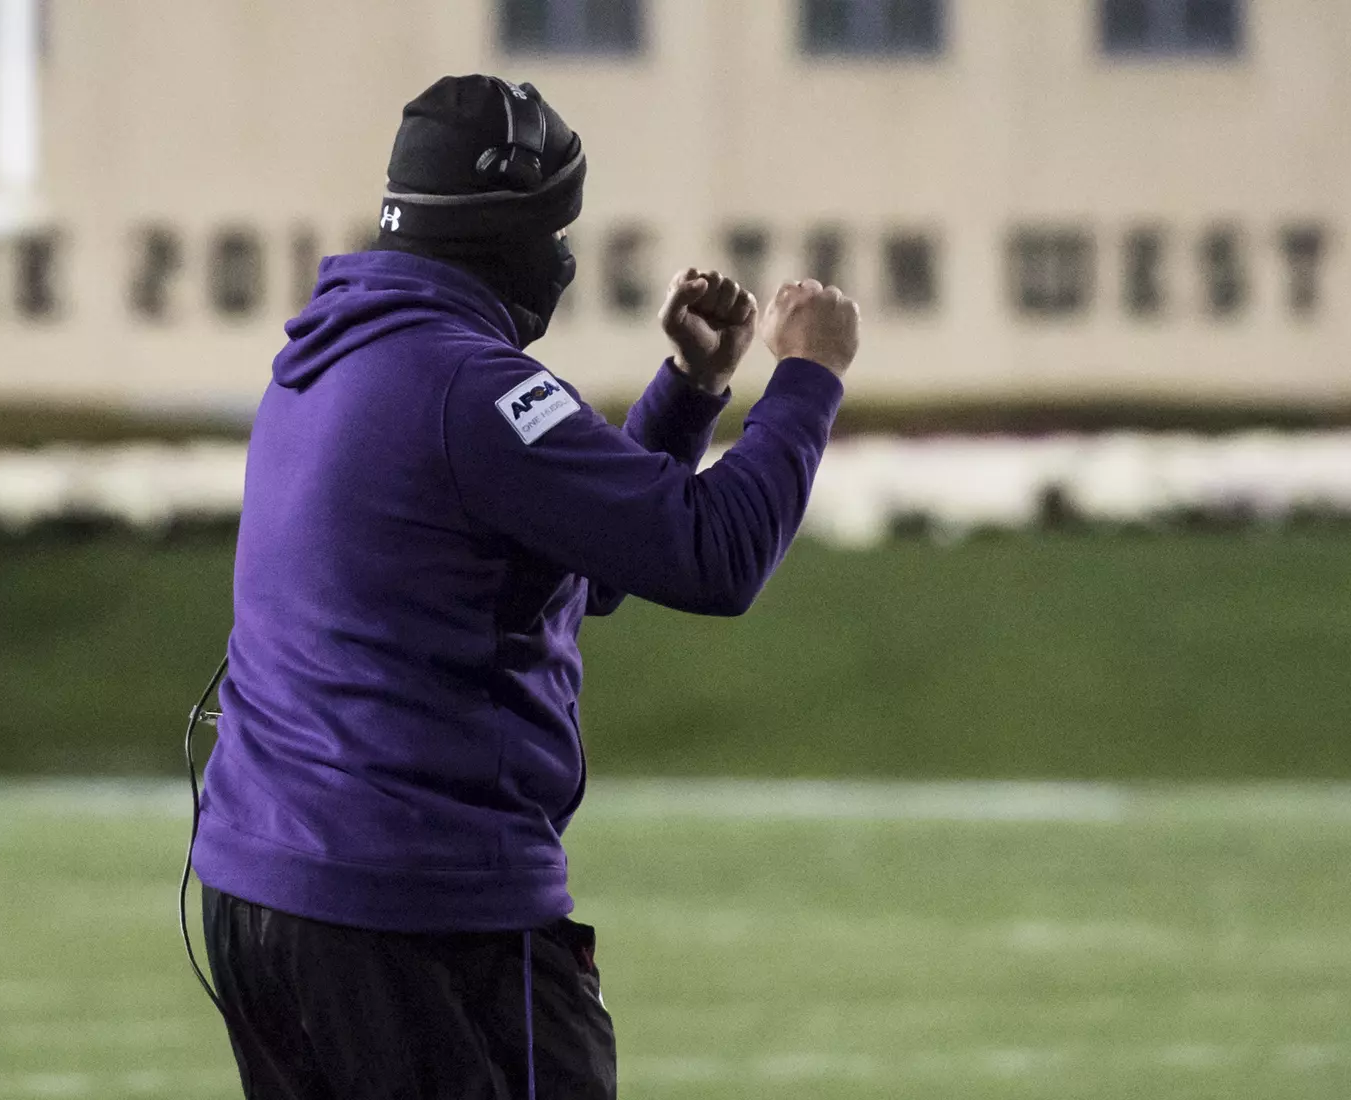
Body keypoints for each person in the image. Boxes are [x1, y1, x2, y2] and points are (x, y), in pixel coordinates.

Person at [191, 73, 860, 1100]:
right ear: (502, 229)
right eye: (555, 226)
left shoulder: (325, 356)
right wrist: (808, 378)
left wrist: (689, 392)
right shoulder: (474, 385)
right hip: (415, 912)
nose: (561, 255)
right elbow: (717, 557)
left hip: (264, 891)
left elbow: (562, 568)